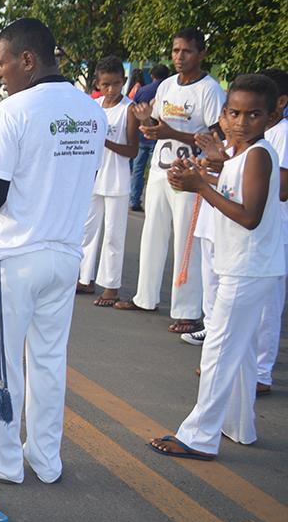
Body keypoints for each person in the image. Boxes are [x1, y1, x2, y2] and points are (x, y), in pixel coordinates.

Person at [0, 18, 106, 484]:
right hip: (66, 255)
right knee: (49, 362)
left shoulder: (14, 111)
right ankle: (46, 460)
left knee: (1, 363)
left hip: (17, 257)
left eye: (1, 62)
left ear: (28, 59)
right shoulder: (92, 112)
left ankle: (3, 461)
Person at [149, 74, 284, 460]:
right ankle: (239, 427)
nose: (242, 122)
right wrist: (195, 177)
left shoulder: (259, 154)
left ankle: (199, 436)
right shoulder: (239, 155)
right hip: (241, 265)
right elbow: (227, 189)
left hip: (248, 267)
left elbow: (250, 216)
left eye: (253, 114)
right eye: (234, 112)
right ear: (223, 115)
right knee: (238, 354)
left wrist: (200, 187)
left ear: (271, 116)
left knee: (220, 351)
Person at [114, 29, 225, 335]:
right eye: (175, 51)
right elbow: (157, 128)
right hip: (161, 170)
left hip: (191, 175)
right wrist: (147, 122)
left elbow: (217, 137)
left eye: (186, 51)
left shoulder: (210, 90)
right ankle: (145, 297)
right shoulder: (165, 86)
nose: (179, 57)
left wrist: (170, 133)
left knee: (186, 242)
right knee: (152, 234)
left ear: (201, 54)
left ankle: (187, 311)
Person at [76, 56, 138, 307]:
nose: (111, 89)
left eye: (116, 83)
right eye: (106, 84)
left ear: (123, 82)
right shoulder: (94, 105)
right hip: (93, 177)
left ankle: (111, 286)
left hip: (117, 179)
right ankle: (85, 277)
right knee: (88, 230)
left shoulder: (129, 109)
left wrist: (104, 141)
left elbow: (132, 150)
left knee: (114, 234)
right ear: (97, 84)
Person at [255, 67, 288, 394]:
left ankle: (262, 372)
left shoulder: (283, 134)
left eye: (256, 111)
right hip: (259, 233)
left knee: (268, 305)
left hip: (278, 230)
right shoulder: (260, 137)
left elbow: (282, 189)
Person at [129, 64, 170, 211]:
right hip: (159, 138)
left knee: (138, 170)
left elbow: (133, 108)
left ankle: (134, 200)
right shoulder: (167, 91)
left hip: (141, 135)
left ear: (152, 76)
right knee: (155, 173)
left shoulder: (142, 90)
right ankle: (154, 205)